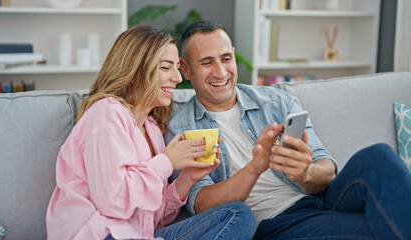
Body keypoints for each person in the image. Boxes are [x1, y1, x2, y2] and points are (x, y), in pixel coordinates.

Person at [164, 20, 411, 239]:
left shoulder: (276, 101)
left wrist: (304, 173)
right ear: (186, 69)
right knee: (375, 227)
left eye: (226, 58)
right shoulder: (180, 127)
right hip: (277, 223)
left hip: (323, 200)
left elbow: (327, 170)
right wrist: (254, 168)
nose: (220, 71)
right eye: (207, 62)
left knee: (378, 156)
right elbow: (203, 203)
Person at [46, 25, 257, 240]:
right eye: (166, 68)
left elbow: (153, 219)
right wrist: (166, 161)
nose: (177, 78)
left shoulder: (152, 129)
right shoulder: (107, 113)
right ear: (136, 71)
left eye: (176, 67)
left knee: (238, 215)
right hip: (100, 234)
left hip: (140, 235)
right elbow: (113, 203)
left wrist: (186, 179)